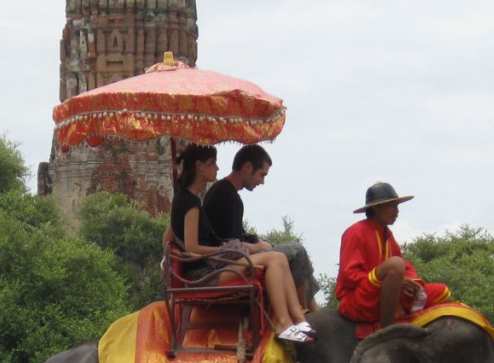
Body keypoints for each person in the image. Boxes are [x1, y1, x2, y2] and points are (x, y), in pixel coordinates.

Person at [169, 143, 315, 344]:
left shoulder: (185, 199)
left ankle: (298, 319)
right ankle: (284, 322)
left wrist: (174, 251)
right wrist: (225, 249)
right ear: (199, 166)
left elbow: (169, 238)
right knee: (274, 259)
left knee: (279, 257)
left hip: (207, 267)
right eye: (213, 163)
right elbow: (193, 249)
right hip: (204, 275)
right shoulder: (191, 203)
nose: (218, 168)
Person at [202, 144, 320, 310]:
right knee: (297, 251)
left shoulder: (221, 191)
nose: (262, 182)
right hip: (227, 263)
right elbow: (231, 245)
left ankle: (310, 310)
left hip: (228, 258)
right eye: (261, 175)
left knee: (295, 255)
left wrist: (257, 240)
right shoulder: (228, 197)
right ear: (248, 167)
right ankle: (306, 313)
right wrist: (260, 247)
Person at [335, 181, 452, 337]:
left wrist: (411, 283)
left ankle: (407, 321)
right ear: (376, 208)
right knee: (395, 265)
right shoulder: (355, 232)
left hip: (384, 295)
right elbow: (350, 276)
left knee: (440, 291)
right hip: (357, 300)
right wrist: (391, 279)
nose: (397, 211)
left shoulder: (388, 236)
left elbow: (406, 267)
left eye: (397, 206)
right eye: (392, 206)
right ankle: (387, 333)